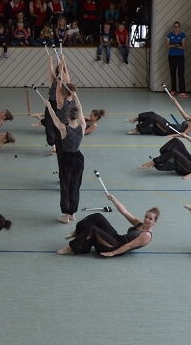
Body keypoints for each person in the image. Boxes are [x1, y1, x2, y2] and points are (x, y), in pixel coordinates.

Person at [57, 193, 158, 257]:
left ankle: (71, 247)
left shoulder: (146, 235)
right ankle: (77, 232)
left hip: (116, 246)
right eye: (146, 217)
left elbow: (129, 246)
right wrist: (114, 200)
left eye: (150, 219)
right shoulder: (140, 224)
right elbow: (125, 212)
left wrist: (112, 253)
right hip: (117, 238)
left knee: (93, 229)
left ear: (154, 222)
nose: (147, 220)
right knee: (98, 217)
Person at [43, 88, 85, 224]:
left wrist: (49, 106)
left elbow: (54, 118)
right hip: (78, 158)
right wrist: (76, 96)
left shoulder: (63, 128)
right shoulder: (83, 126)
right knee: (76, 185)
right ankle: (72, 213)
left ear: (67, 116)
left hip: (67, 158)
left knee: (66, 186)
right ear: (77, 116)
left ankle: (66, 215)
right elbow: (81, 110)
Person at [127, 90, 191, 136]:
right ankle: (135, 119)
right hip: (169, 125)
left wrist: (172, 135)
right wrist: (175, 100)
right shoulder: (189, 119)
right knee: (152, 114)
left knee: (153, 119)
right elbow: (181, 110)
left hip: (168, 130)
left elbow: (184, 134)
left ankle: (137, 129)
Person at [166, 21, 188, 96]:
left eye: (178, 26)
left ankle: (182, 91)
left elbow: (183, 46)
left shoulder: (182, 35)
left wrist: (173, 45)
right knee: (173, 74)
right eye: (175, 27)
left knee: (180, 74)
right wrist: (177, 45)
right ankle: (173, 90)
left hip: (180, 57)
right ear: (173, 27)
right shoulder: (169, 35)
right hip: (171, 57)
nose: (176, 28)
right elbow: (167, 46)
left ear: (180, 27)